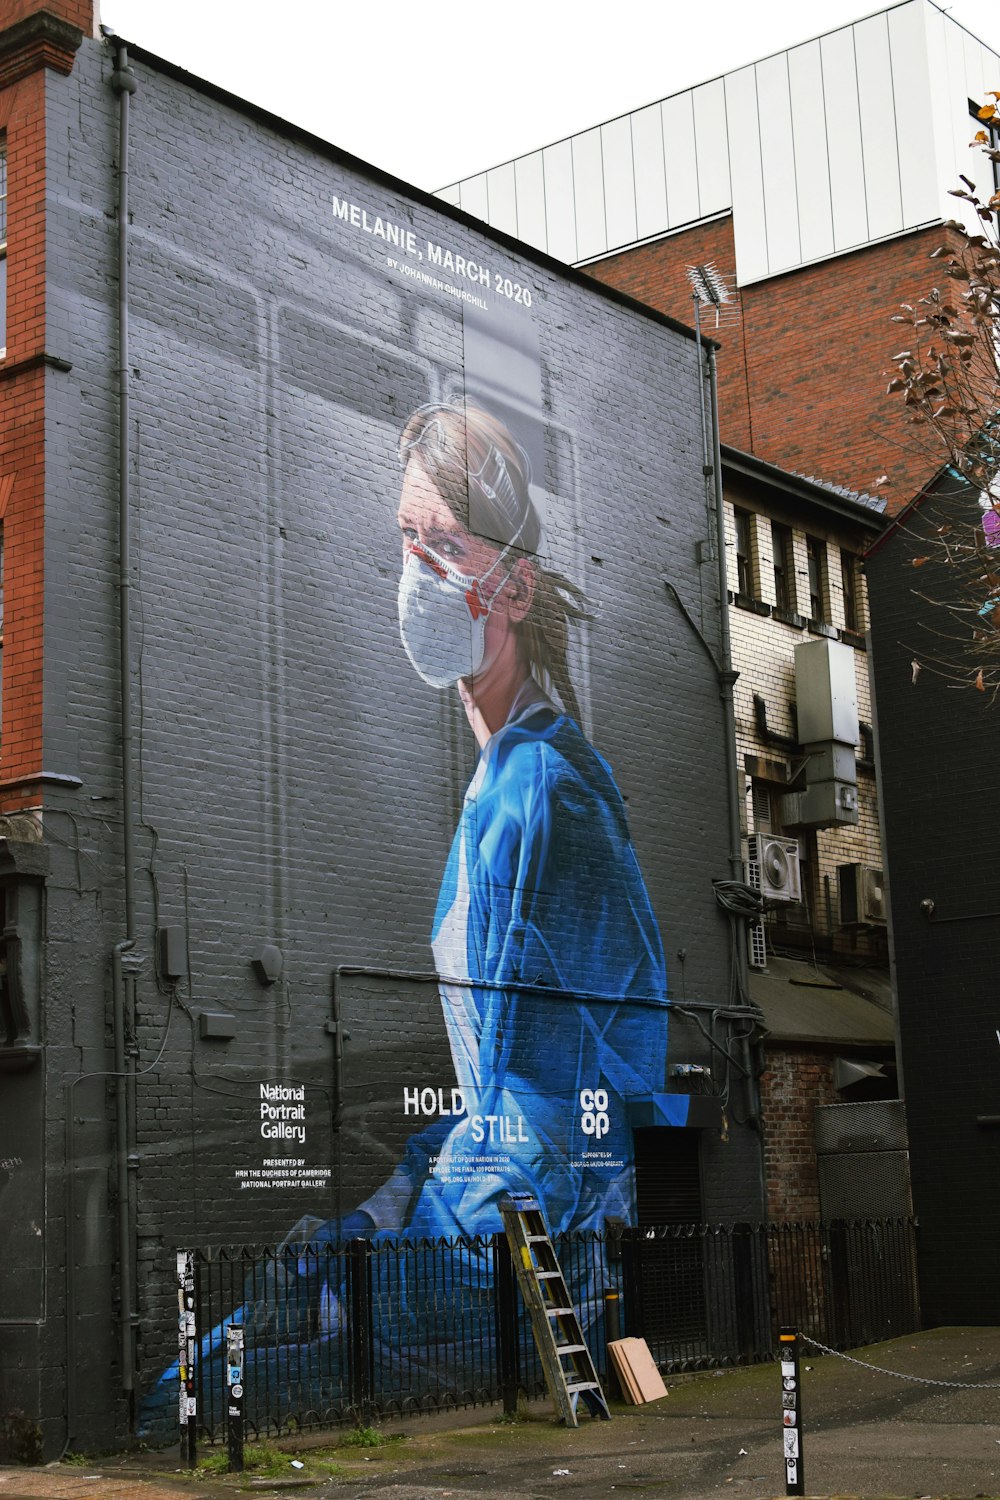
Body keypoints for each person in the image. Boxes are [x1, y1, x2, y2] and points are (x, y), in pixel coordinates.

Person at [345, 399, 670, 1241]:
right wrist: (399, 1188)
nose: (417, 569)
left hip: (522, 1256)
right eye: (407, 537)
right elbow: (495, 1086)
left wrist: (385, 1269)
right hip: (491, 1207)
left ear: (517, 589)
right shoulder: (503, 777)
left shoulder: (543, 795)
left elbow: (544, 1108)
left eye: (447, 545)